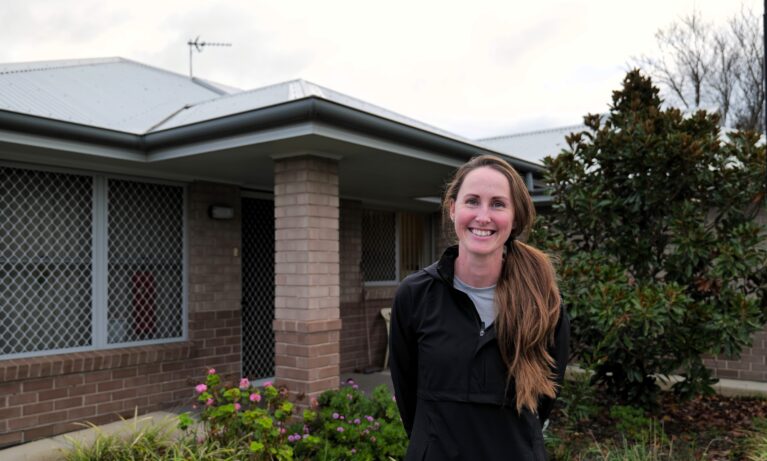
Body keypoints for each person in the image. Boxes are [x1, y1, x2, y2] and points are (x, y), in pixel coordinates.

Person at [389, 154, 569, 461]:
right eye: (472, 201)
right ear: (452, 209)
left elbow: (546, 399)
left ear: (514, 219)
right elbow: (409, 396)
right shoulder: (415, 295)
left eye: (498, 204)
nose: (483, 216)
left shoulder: (544, 303)